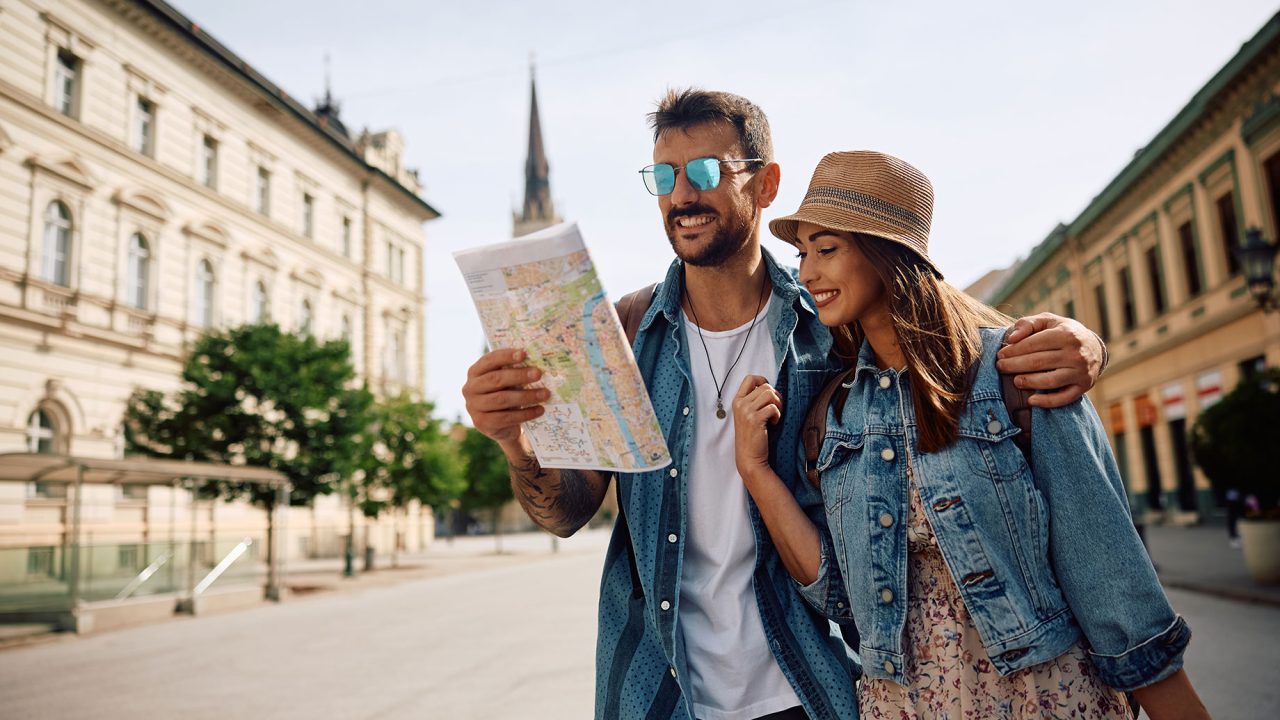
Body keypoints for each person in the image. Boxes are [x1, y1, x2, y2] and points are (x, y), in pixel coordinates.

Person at [462, 90, 1107, 720]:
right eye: (663, 175)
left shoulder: (832, 320)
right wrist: (516, 444)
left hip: (805, 684)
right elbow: (569, 512)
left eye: (707, 171)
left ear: (765, 185)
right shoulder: (625, 334)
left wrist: (1086, 345)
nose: (682, 195)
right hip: (658, 692)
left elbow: (946, 337)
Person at [732, 150, 1209, 719]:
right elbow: (839, 596)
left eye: (827, 249)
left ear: (889, 253)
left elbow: (1111, 580)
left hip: (1040, 700)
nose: (807, 272)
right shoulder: (834, 414)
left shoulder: (1017, 374)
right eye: (802, 252)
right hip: (901, 705)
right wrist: (755, 473)